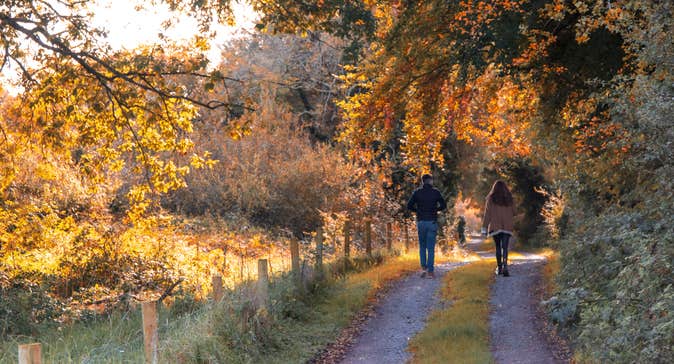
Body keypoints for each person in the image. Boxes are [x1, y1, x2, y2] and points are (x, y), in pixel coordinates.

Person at [407, 174, 447, 278]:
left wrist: (418, 211)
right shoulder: (436, 192)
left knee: (422, 246)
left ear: (422, 181)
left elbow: (409, 206)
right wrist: (436, 210)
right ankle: (430, 271)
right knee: (430, 248)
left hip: (421, 222)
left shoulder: (417, 192)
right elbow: (444, 205)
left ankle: (424, 268)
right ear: (430, 181)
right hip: (432, 222)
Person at [481, 180, 515, 277]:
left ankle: (499, 268)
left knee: (498, 247)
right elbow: (514, 211)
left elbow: (487, 214)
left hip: (495, 226)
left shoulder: (491, 198)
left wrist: (484, 227)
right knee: (505, 247)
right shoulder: (510, 198)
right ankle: (505, 266)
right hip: (507, 226)